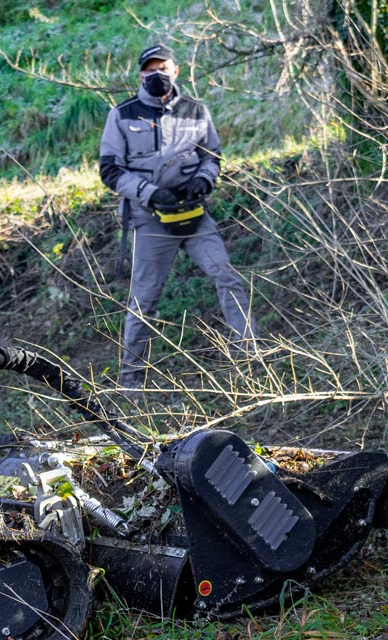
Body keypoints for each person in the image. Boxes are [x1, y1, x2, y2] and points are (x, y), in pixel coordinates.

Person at [99, 42, 258, 389]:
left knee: (228, 277)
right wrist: (151, 193)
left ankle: (250, 362)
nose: (157, 74)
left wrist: (204, 179)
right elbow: (109, 171)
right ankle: (131, 383)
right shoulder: (121, 114)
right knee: (144, 301)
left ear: (176, 71)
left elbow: (212, 155)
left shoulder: (196, 110)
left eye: (163, 68)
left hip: (195, 215)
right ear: (141, 74)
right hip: (150, 218)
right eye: (150, 69)